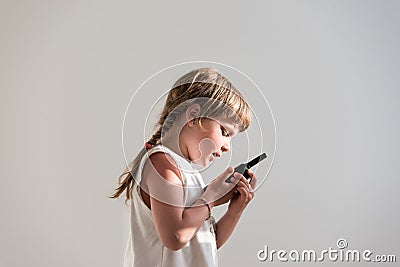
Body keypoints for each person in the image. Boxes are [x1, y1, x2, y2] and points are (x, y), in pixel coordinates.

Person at [110, 67, 257, 267]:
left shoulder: (187, 172)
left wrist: (234, 211)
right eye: (224, 131)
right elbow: (175, 237)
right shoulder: (162, 164)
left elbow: (201, 246)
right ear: (193, 115)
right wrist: (210, 198)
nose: (227, 146)